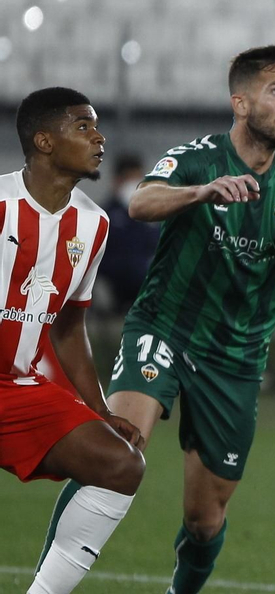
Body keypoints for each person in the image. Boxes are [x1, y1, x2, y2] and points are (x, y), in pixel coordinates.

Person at [29, 46, 275, 594]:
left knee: (205, 521)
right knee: (116, 451)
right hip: (165, 326)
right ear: (240, 101)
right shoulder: (198, 157)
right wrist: (202, 192)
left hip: (235, 357)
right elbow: (140, 202)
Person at [5, 89, 146, 594]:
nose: (99, 137)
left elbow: (67, 325)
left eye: (97, 125)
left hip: (14, 390)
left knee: (120, 463)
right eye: (83, 126)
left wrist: (100, 409)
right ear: (44, 141)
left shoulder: (94, 223)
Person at [98, 155, 160, 313]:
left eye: (137, 179)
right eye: (129, 179)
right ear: (118, 181)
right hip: (116, 283)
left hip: (147, 281)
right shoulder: (105, 214)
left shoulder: (153, 213)